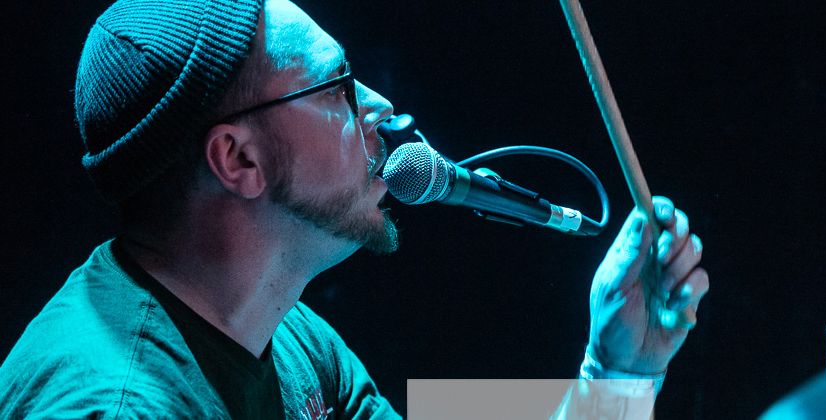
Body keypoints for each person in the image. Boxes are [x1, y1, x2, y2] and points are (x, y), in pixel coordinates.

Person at [0, 0, 710, 418]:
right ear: (238, 159)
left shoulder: (288, 338)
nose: (383, 108)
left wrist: (615, 371)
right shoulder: (116, 404)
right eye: (337, 85)